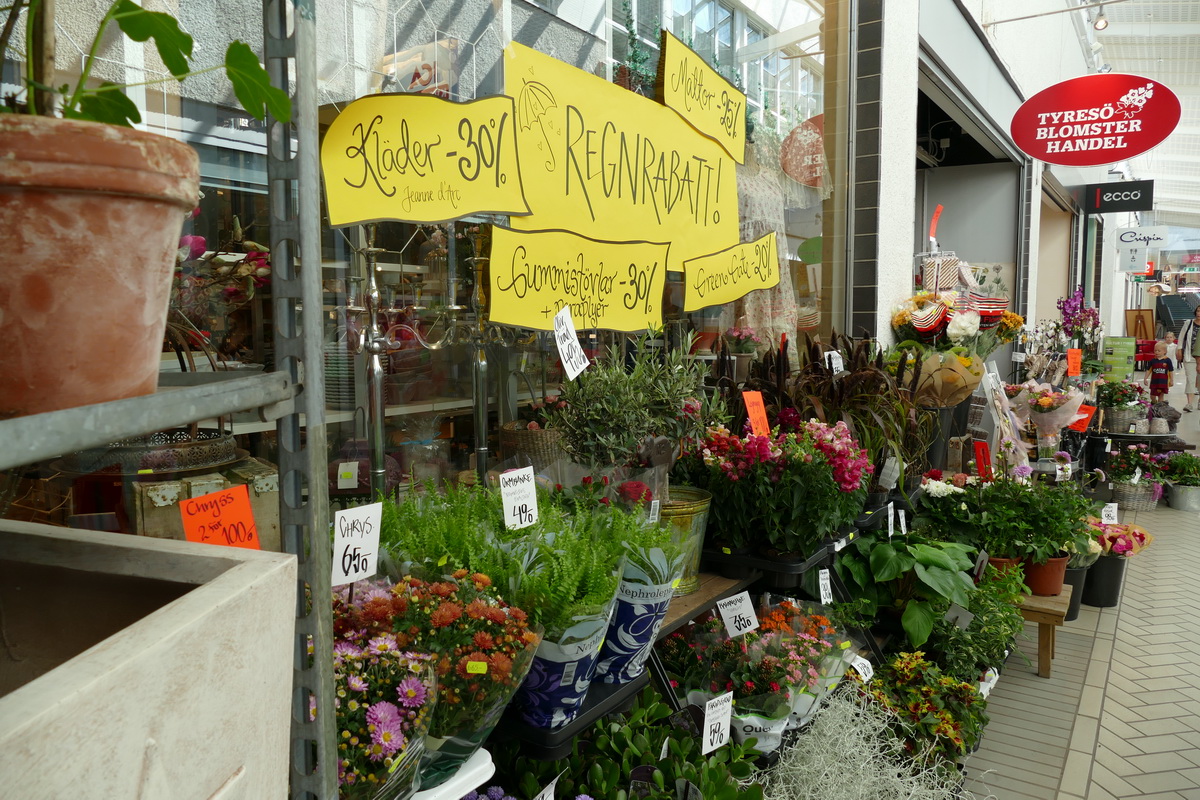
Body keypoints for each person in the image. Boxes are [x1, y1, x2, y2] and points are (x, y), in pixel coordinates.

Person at [1181, 305, 1200, 412]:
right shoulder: (1188, 323)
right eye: (1197, 311)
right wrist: (1179, 349)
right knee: (1190, 379)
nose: (1199, 313)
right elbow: (1181, 337)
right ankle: (1189, 404)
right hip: (1189, 356)